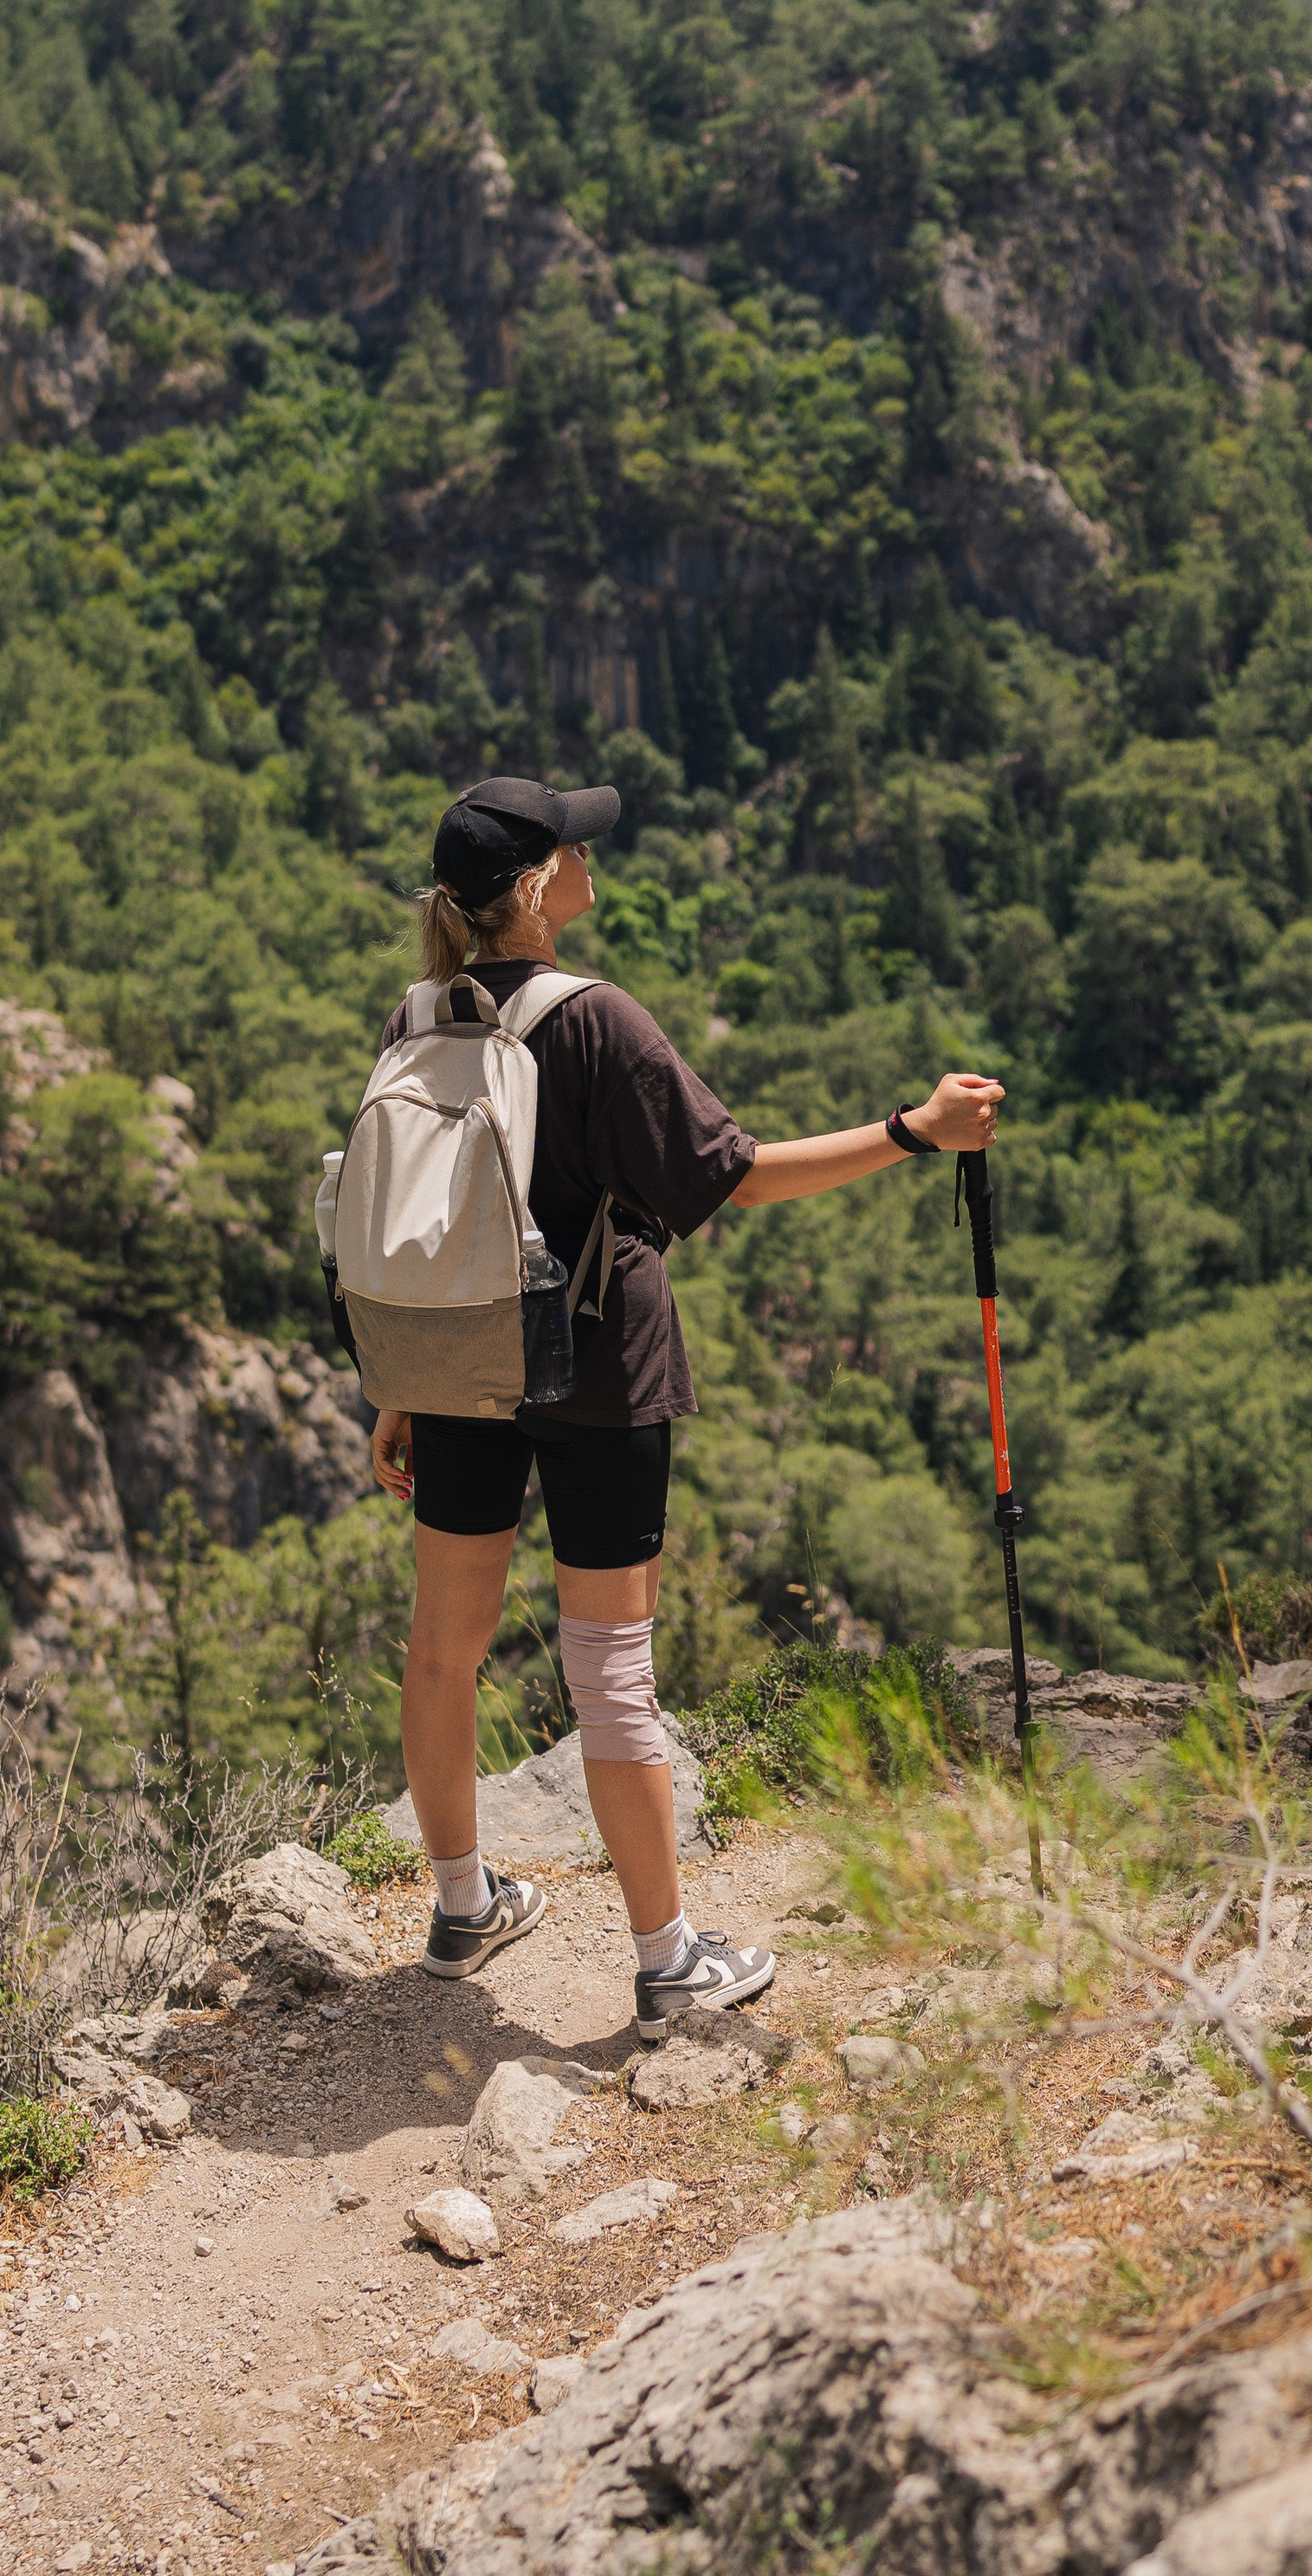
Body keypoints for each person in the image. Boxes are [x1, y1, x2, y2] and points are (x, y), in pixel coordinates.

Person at [370, 773, 1005, 2039]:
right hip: (599, 1365)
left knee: (443, 1646)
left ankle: (462, 1906)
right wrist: (916, 1131)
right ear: (539, 887)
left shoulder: (417, 1016)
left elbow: (412, 1221)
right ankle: (667, 1963)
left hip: (454, 1362)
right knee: (610, 1665)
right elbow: (739, 1177)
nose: (591, 860)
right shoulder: (595, 1021)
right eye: (575, 849)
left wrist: (397, 1387)